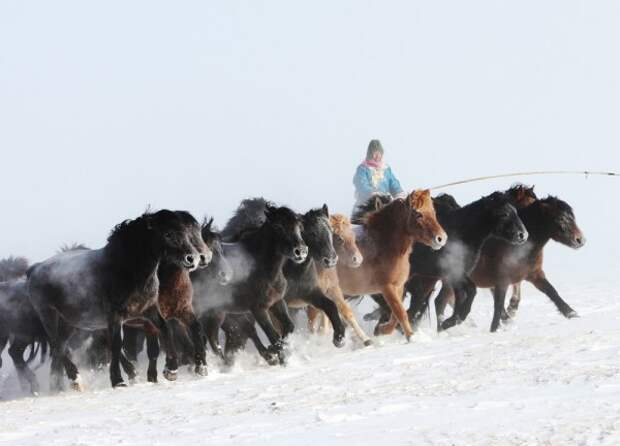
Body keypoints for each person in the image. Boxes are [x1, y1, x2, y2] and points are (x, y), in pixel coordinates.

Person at [352, 139, 405, 210]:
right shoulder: (363, 169)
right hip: (366, 205)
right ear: (370, 154)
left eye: (379, 153)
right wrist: (373, 193)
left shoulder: (385, 169)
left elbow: (393, 183)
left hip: (385, 204)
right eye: (374, 153)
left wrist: (399, 194)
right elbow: (361, 184)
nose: (377, 156)